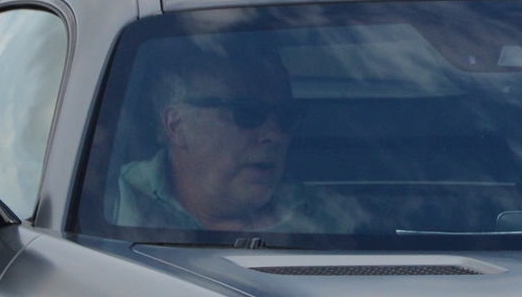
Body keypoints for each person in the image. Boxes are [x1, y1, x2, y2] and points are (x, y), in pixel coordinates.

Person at [109, 39, 353, 234]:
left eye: (287, 116)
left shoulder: (330, 219)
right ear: (177, 125)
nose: (274, 134)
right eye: (247, 113)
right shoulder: (112, 199)